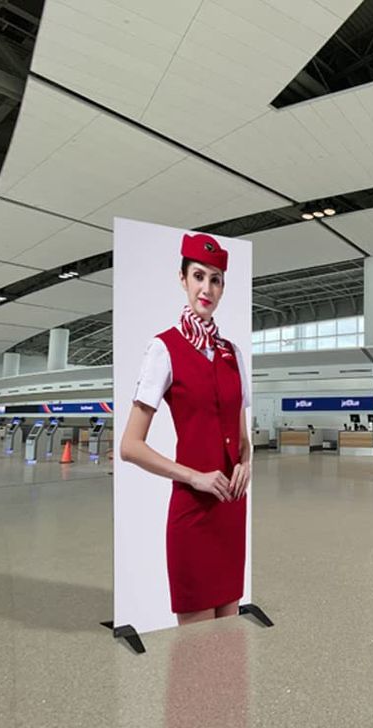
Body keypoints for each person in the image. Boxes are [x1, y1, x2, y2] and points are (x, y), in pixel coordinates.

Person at [120, 232, 251, 624]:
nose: (206, 288)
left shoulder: (233, 354)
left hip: (232, 508)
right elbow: (130, 445)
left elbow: (243, 438)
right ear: (183, 279)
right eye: (198, 276)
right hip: (193, 513)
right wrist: (194, 477)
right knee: (197, 652)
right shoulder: (164, 349)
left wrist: (247, 463)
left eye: (215, 279)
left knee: (228, 639)